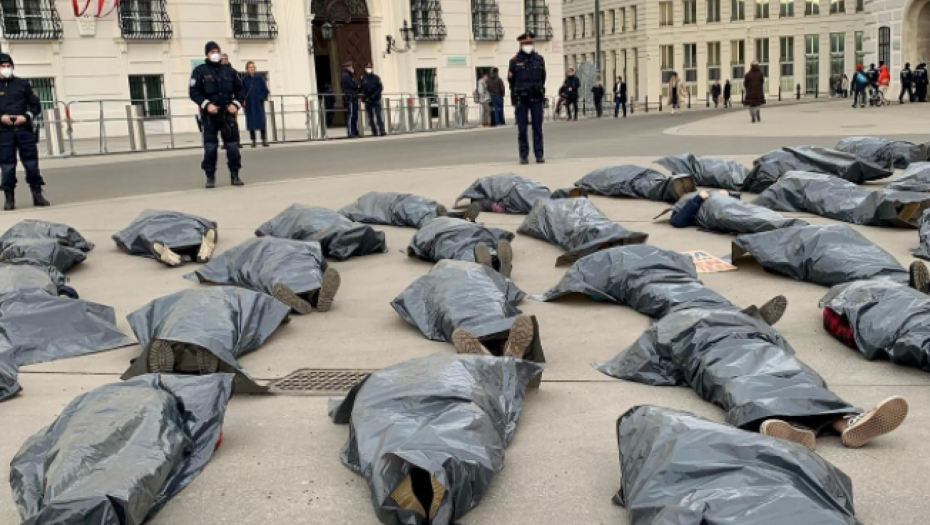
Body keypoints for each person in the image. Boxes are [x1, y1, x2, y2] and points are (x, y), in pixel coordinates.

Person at [190, 41, 244, 189]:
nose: (215, 54)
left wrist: (235, 104)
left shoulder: (229, 71)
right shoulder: (199, 71)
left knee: (233, 146)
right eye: (212, 52)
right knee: (210, 148)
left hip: (227, 114)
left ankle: (235, 175)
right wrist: (207, 105)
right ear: (207, 54)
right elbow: (193, 92)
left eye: (217, 51)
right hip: (210, 116)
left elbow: (241, 91)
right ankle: (210, 176)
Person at [0, 54, 49, 211]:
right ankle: (9, 198)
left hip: (24, 130)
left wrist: (25, 117)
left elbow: (36, 105)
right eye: (2, 66)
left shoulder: (23, 84)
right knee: (7, 166)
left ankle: (37, 194)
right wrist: (2, 118)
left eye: (8, 65)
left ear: (12, 67)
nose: (6, 69)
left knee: (31, 164)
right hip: (4, 132)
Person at [508, 32, 547, 165]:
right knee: (522, 129)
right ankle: (523, 155)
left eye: (530, 43)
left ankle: (539, 154)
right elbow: (511, 82)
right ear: (520, 44)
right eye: (525, 43)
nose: (528, 45)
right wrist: (514, 99)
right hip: (521, 99)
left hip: (536, 97)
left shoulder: (539, 60)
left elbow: (543, 78)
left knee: (537, 128)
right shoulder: (514, 61)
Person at [242, 61, 270, 148]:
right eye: (250, 67)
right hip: (249, 104)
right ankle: (253, 140)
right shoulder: (244, 80)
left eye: (253, 67)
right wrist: (243, 100)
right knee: (250, 122)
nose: (252, 69)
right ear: (247, 69)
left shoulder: (260, 78)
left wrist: (261, 98)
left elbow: (265, 90)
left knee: (261, 121)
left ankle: (263, 139)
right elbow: (242, 92)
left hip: (258, 103)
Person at [359, 62, 386, 136]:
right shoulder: (363, 78)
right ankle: (374, 131)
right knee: (370, 118)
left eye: (370, 67)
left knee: (378, 116)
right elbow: (360, 89)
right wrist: (363, 97)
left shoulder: (376, 78)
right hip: (368, 101)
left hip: (376, 99)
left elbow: (380, 88)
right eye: (367, 68)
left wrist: (374, 95)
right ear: (365, 69)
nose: (369, 69)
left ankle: (382, 130)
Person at [340, 61, 360, 138]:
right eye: (351, 67)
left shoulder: (350, 76)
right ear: (347, 67)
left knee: (355, 116)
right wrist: (357, 85)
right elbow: (354, 86)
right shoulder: (346, 77)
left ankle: (355, 131)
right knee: (351, 115)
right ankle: (351, 132)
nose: (352, 68)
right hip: (350, 98)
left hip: (354, 97)